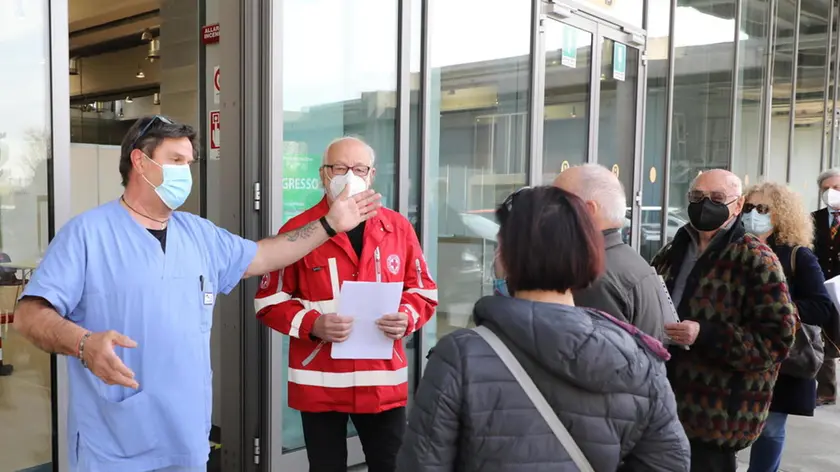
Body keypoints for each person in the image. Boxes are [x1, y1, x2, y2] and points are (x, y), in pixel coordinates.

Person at [12, 116, 381, 472]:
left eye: (188, 163)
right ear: (140, 162)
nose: (184, 173)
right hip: (115, 441)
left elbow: (266, 255)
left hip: (185, 438)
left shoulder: (198, 234)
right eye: (175, 160)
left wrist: (331, 224)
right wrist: (82, 343)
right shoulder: (88, 235)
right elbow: (29, 314)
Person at [397, 186, 690, 472]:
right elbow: (669, 461)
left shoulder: (459, 356)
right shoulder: (639, 359)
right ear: (590, 255)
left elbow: (423, 462)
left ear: (505, 257)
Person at [254, 137, 437, 472]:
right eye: (340, 168)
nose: (349, 175)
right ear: (324, 175)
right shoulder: (299, 231)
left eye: (359, 168)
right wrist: (313, 324)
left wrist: (407, 317)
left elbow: (424, 291)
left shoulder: (397, 228)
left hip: (381, 381)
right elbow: (268, 300)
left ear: (371, 175)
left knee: (392, 465)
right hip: (320, 381)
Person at [651, 169, 796, 472]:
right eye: (697, 197)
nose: (705, 204)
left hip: (716, 414)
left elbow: (776, 341)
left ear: (738, 204)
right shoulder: (673, 250)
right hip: (663, 402)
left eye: (717, 198)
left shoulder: (756, 259)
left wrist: (705, 335)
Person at [741, 182, 836, 472]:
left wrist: (782, 310)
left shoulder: (798, 255)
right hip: (741, 351)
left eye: (762, 209)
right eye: (748, 208)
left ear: (780, 214)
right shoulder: (736, 248)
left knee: (769, 428)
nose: (753, 215)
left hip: (784, 358)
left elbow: (822, 307)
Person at [553, 163, 667, 340]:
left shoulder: (590, 274)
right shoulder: (629, 260)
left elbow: (592, 358)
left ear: (588, 210)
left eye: (556, 201)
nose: (547, 211)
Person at [811, 168, 840, 406]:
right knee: (824, 337)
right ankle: (827, 390)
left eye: (837, 188)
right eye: (826, 189)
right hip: (821, 288)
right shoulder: (813, 219)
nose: (831, 193)